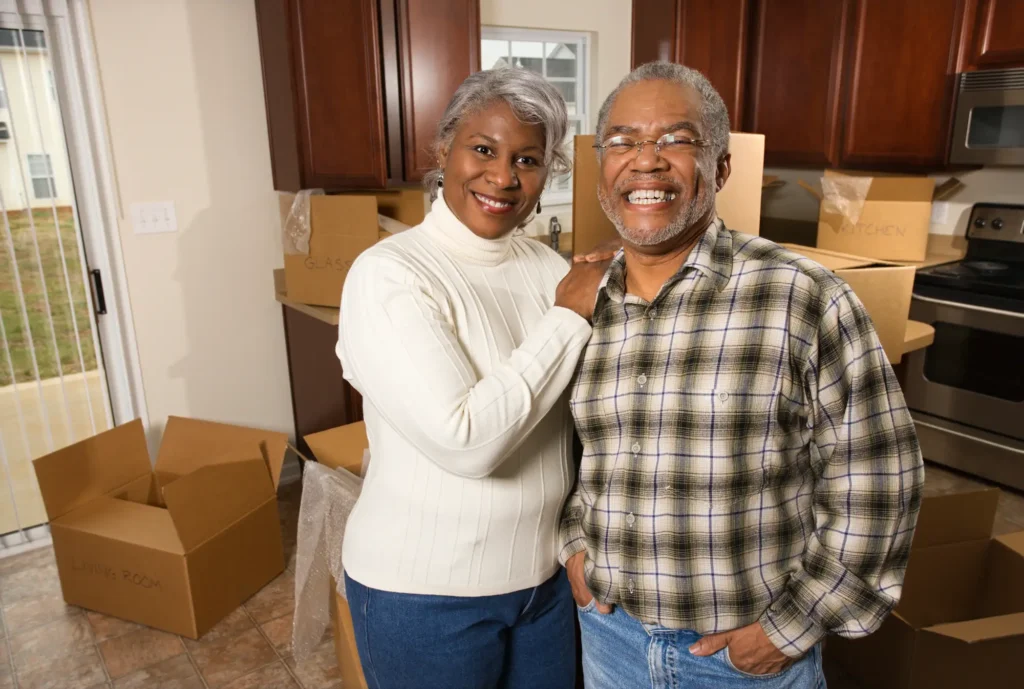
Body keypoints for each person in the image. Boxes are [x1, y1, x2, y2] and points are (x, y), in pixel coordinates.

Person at [560, 61, 925, 689]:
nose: (645, 161)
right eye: (622, 141)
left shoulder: (803, 298)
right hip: (610, 638)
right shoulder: (579, 301)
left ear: (721, 167)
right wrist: (573, 546)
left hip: (742, 664)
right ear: (602, 170)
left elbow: (879, 483)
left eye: (676, 139)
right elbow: (577, 451)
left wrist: (790, 631)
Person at [336, 67, 606, 689]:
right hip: (423, 596)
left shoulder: (546, 267)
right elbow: (467, 440)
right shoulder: (388, 275)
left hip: (546, 584)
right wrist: (568, 315)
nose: (503, 176)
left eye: (529, 159)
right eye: (483, 149)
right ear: (443, 151)